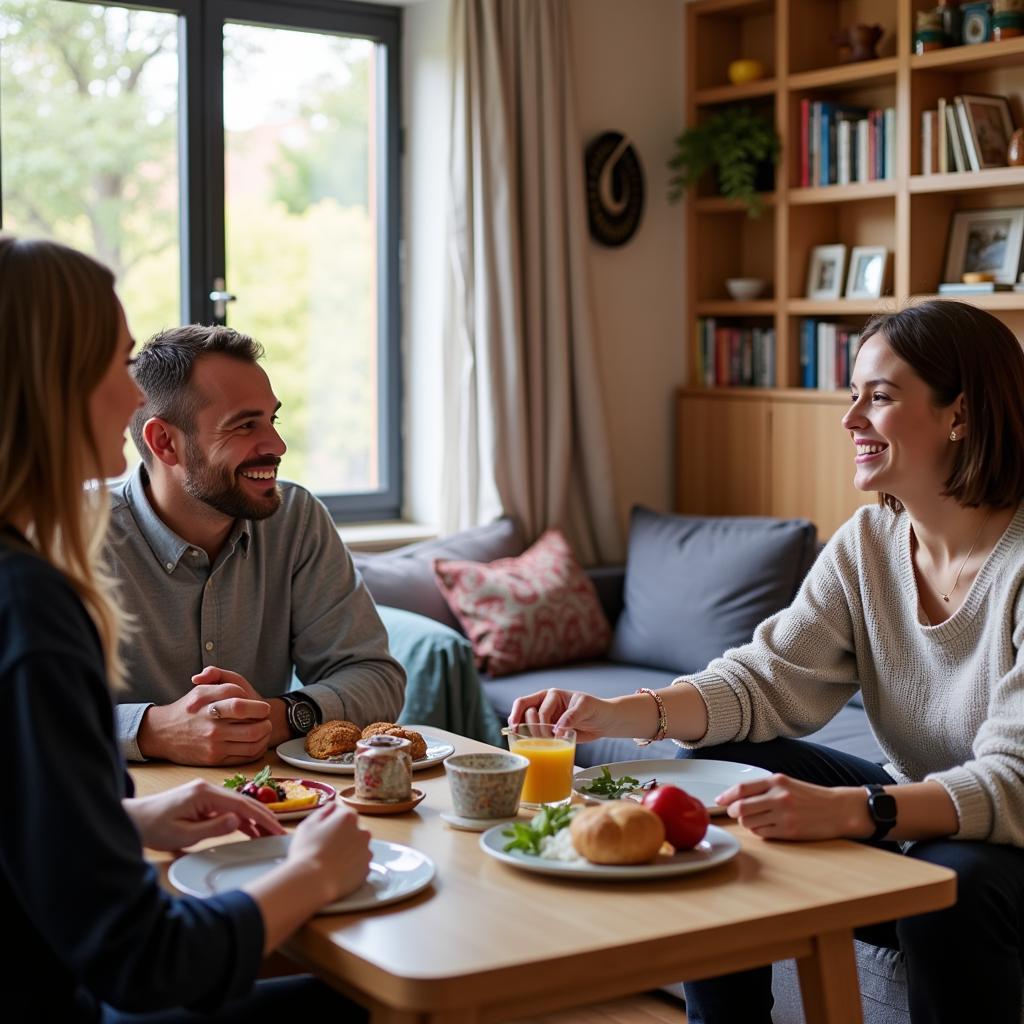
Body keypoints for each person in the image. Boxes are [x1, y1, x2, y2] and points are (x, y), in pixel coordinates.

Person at [510, 300, 1024, 1024]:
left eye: (879, 397)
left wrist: (856, 809)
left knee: (952, 885)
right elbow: (764, 681)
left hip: (1005, 839)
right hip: (917, 816)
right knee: (724, 752)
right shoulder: (871, 542)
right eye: (853, 396)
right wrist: (622, 713)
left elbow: (1015, 781)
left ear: (960, 416)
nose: (850, 420)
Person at [0, 234, 373, 1021]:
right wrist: (310, 873)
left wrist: (125, 817)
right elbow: (145, 958)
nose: (132, 397)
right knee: (385, 1003)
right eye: (115, 362)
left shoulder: (20, 583)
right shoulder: (32, 598)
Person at [105, 324, 405, 765]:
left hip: (273, 803)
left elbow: (376, 677)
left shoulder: (296, 518)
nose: (278, 445)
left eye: (272, 419)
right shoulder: (76, 537)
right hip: (127, 814)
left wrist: (276, 717)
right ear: (165, 442)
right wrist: (153, 730)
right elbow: (24, 711)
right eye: (245, 425)